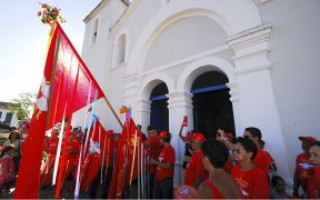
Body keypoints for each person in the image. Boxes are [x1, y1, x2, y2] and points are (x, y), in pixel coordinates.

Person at [151, 130, 175, 199]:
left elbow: (168, 166)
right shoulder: (163, 149)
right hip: (158, 178)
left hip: (165, 180)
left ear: (164, 139)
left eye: (160, 138)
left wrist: (154, 162)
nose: (159, 140)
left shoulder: (170, 150)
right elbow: (161, 163)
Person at [144, 125, 161, 199]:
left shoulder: (158, 139)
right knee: (147, 187)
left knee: (152, 188)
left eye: (153, 132)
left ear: (156, 131)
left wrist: (136, 139)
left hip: (155, 168)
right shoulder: (149, 138)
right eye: (150, 133)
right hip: (148, 167)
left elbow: (145, 144)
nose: (151, 134)